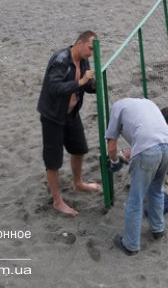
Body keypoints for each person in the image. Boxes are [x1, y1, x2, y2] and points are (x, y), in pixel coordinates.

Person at [36, 30, 102, 216]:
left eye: (93, 50)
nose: (91, 53)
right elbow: (55, 87)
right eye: (90, 48)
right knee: (53, 161)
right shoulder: (60, 60)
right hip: (52, 117)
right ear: (79, 43)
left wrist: (94, 84)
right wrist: (81, 81)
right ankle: (57, 201)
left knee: (79, 149)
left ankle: (78, 182)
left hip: (71, 114)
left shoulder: (84, 60)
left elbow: (87, 87)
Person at [105, 98, 168, 256]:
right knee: (157, 190)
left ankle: (130, 244)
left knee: (135, 199)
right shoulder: (147, 104)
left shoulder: (116, 108)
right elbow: (148, 137)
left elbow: (111, 146)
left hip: (148, 150)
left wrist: (115, 161)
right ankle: (158, 229)